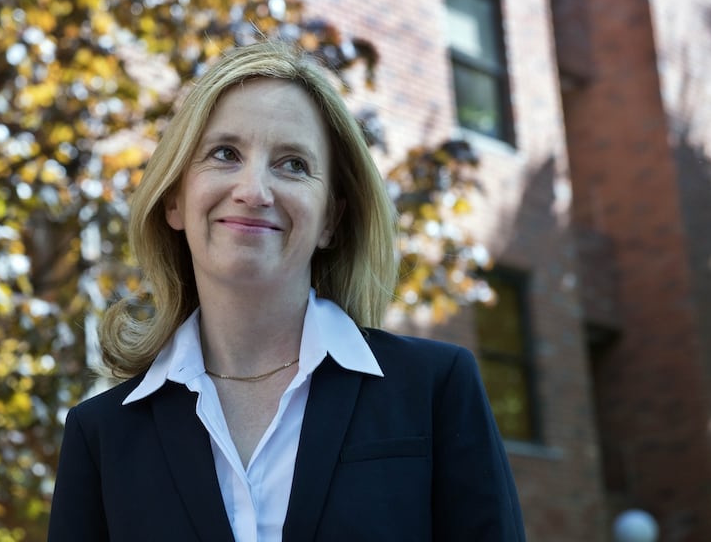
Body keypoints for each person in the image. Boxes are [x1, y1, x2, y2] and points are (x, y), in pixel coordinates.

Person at [47, 40, 525, 541]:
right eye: (225, 154)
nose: (254, 191)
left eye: (293, 163)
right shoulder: (100, 435)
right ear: (174, 200)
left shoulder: (435, 389)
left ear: (330, 221)